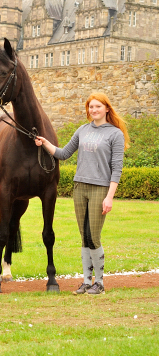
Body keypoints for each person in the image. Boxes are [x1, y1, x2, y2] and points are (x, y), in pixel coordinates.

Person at [35, 93, 130, 295]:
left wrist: (109, 197)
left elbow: (117, 168)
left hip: (100, 189)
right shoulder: (83, 130)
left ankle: (100, 283)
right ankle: (87, 282)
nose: (93, 110)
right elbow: (63, 154)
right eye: (90, 107)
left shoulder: (115, 134)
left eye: (97, 106)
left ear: (106, 109)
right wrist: (44, 143)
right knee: (84, 237)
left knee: (94, 236)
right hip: (80, 188)